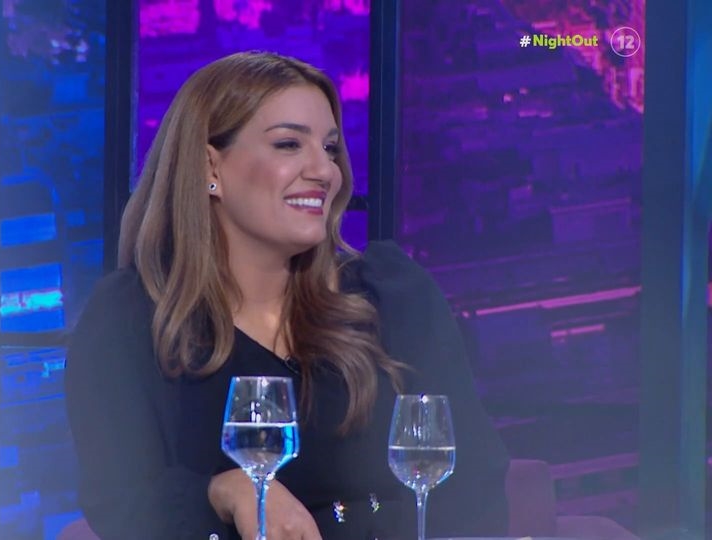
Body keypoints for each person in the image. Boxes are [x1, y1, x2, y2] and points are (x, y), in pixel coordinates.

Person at [64, 51, 509, 540]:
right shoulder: (130, 321)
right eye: (289, 144)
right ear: (210, 165)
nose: (325, 170)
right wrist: (224, 491)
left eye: (330, 148)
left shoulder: (391, 297)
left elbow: (474, 485)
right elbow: (121, 504)